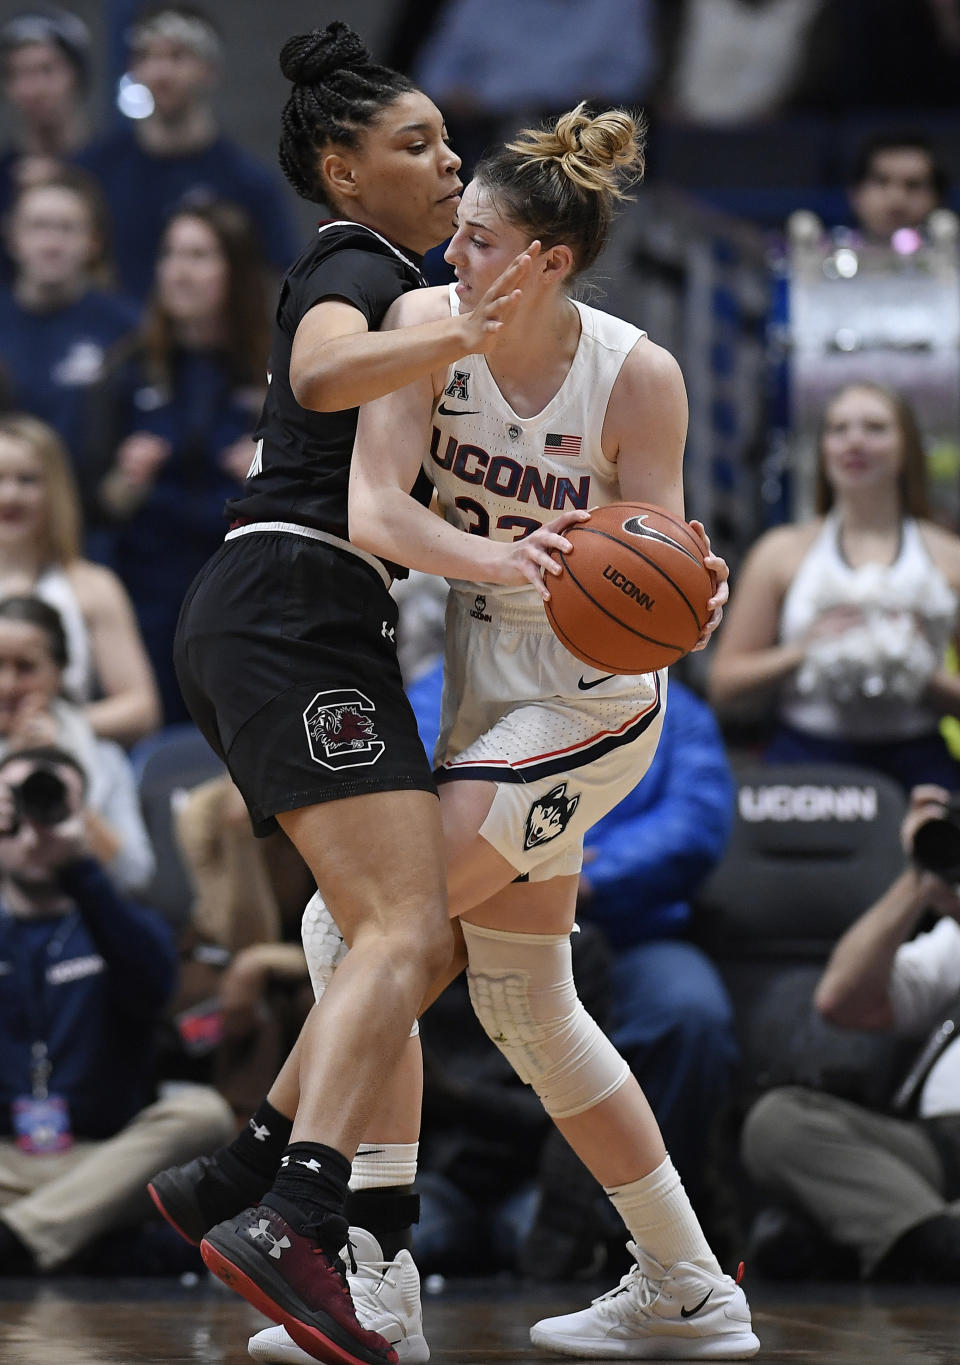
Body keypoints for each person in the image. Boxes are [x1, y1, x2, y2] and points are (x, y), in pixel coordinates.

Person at [156, 84, 755, 1365]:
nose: (451, 249)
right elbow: (377, 513)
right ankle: (688, 1283)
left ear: (542, 260)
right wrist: (507, 566)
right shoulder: (427, 325)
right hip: (486, 673)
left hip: (591, 702)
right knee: (530, 1010)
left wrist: (691, 596)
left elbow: (661, 558)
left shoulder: (636, 374)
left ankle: (369, 1260)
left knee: (353, 926)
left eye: (477, 235)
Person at [148, 19, 572, 1365]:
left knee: (417, 938)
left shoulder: (409, 286)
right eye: (415, 145)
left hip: (305, 616)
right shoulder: (357, 267)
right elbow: (326, 371)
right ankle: (296, 1215)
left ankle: (241, 1172)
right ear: (343, 173)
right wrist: (462, 325)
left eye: (450, 141)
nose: (451, 163)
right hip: (286, 603)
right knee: (398, 929)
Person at [0, 742, 234, 1275]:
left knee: (203, 1116)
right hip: (10, 1161)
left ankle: (19, 1236)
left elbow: (154, 989)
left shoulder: (118, 921)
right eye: (15, 804)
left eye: (51, 802)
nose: (33, 825)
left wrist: (82, 868)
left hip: (107, 1156)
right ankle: (74, 1232)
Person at [740, 782, 960, 1283]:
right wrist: (918, 879)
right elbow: (842, 1001)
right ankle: (932, 1238)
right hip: (937, 1150)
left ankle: (898, 1237)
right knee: (777, 1122)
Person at [709, 382, 960, 792]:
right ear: (823, 449)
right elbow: (724, 687)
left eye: (875, 428)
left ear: (906, 449)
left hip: (917, 763)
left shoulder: (949, 560)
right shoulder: (780, 553)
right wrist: (802, 652)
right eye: (839, 429)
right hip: (804, 758)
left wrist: (920, 671)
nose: (855, 441)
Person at [82, 197, 272, 722]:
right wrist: (127, 479)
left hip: (243, 592)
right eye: (171, 255)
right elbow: (96, 502)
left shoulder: (278, 371)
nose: (179, 272)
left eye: (199, 256)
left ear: (235, 271)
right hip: (150, 592)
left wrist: (269, 474)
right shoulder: (126, 369)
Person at [74, 2, 297, 301]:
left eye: (178, 56)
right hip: (118, 342)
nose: (161, 71)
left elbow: (285, 280)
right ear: (134, 69)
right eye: (148, 56)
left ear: (209, 70)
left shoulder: (247, 183)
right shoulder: (97, 171)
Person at [0, 413, 160, 745]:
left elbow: (142, 708)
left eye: (27, 480)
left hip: (65, 761)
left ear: (55, 488)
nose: (10, 495)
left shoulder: (94, 586)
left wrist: (63, 725)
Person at [0, 593, 154, 894]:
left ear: (59, 672)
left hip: (85, 921)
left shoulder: (103, 759)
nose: (7, 684)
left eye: (26, 667)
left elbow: (135, 876)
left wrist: (59, 781)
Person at [0, 168, 139, 472]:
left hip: (96, 510)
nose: (51, 244)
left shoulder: (128, 329)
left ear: (93, 242)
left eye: (66, 228)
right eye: (38, 227)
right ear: (12, 238)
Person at [0, 6, 91, 236]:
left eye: (47, 70)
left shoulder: (115, 170)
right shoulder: (4, 180)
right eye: (20, 74)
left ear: (75, 76)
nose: (34, 89)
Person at [847, 130, 949, 242]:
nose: (896, 200)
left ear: (938, 198)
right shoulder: (828, 253)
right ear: (854, 193)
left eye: (913, 185)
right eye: (882, 182)